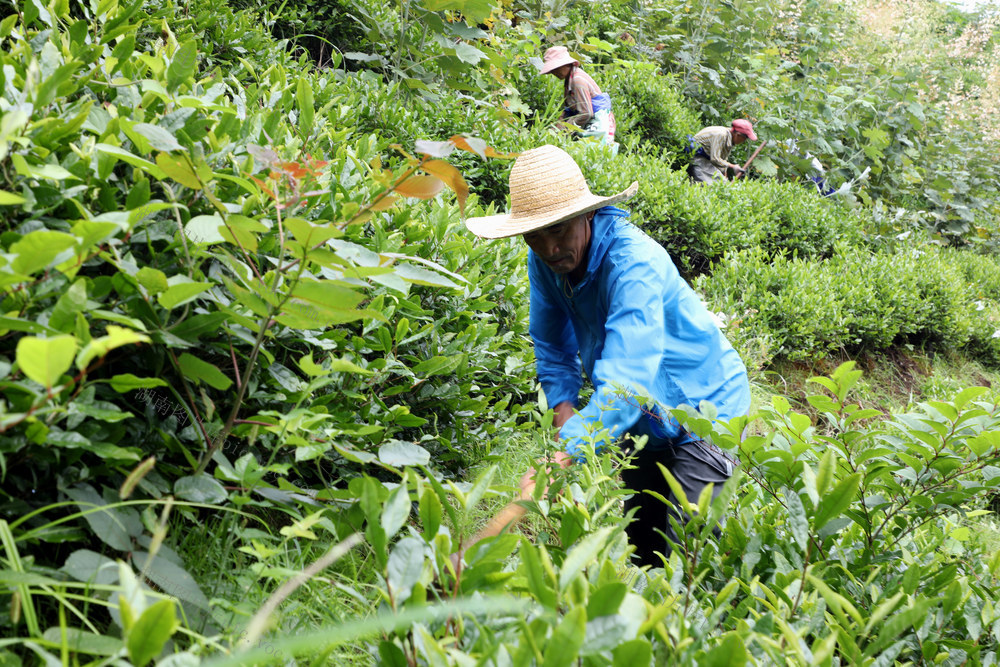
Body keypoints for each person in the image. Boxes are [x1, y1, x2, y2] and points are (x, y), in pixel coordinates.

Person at [464, 145, 751, 567]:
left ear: (587, 215)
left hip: (708, 407)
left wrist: (564, 455)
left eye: (558, 230)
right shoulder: (545, 262)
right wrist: (564, 414)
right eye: (535, 235)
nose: (549, 248)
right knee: (643, 544)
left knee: (687, 556)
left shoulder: (633, 264)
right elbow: (551, 344)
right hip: (647, 418)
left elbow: (626, 383)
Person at [539, 46, 618, 151]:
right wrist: (555, 129)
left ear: (566, 64)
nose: (554, 72)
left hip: (597, 122)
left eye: (556, 68)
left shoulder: (577, 80)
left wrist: (565, 128)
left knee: (595, 153)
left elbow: (586, 113)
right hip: (588, 121)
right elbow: (568, 110)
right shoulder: (569, 80)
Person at [689, 119, 758, 183]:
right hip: (697, 156)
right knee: (709, 184)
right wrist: (733, 166)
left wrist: (725, 176)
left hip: (707, 159)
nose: (743, 141)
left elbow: (722, 160)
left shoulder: (730, 138)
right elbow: (715, 159)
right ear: (738, 135)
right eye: (745, 138)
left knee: (723, 182)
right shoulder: (721, 135)